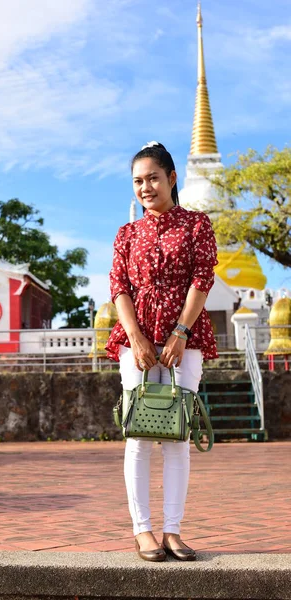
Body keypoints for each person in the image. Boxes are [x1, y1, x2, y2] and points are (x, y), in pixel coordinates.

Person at [105, 141, 219, 562]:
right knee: (138, 436)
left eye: (153, 178)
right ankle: (143, 531)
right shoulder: (126, 233)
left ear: (172, 178)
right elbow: (118, 286)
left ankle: (172, 530)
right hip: (136, 340)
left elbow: (202, 279)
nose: (146, 187)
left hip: (184, 340)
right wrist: (135, 337)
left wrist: (180, 332)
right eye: (138, 181)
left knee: (177, 438)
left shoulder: (196, 225)